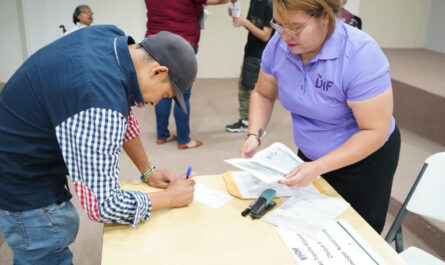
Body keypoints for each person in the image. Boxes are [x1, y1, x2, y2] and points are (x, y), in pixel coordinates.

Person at [0, 25, 197, 264]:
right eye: (165, 95)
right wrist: (171, 199)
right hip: (21, 184)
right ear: (157, 72)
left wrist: (148, 171)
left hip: (18, 146)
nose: (156, 103)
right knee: (47, 245)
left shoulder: (111, 38)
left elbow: (124, 114)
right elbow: (103, 205)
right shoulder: (98, 101)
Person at [240, 0, 401, 234]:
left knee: (351, 234)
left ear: (325, 17)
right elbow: (263, 93)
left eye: (295, 27)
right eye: (278, 24)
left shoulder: (360, 54)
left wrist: (318, 166)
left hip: (363, 162)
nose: (285, 35)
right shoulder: (280, 44)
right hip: (310, 156)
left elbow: (373, 131)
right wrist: (254, 134)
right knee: (300, 226)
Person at [144, 0, 234, 149]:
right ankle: (184, 139)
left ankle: (162, 135)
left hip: (154, 41)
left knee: (160, 90)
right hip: (182, 40)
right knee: (182, 93)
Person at [225, 0, 274, 133]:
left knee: (247, 89)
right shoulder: (254, 2)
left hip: (260, 55)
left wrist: (245, 22)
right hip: (251, 51)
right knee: (249, 88)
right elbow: (253, 25)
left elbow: (265, 35)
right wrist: (239, 17)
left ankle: (247, 122)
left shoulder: (270, 6)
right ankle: (251, 121)